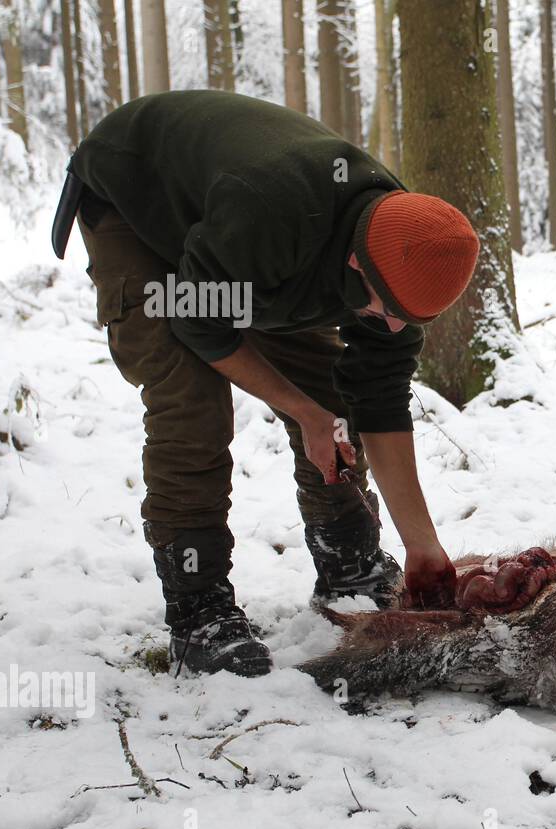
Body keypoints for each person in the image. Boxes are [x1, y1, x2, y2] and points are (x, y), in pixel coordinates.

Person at [53, 90, 472, 677]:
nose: (398, 326)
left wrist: (421, 546)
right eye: (390, 310)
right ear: (357, 265)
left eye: (412, 318)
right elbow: (198, 318)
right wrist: (301, 412)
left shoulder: (403, 251)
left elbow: (379, 405)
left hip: (246, 249)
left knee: (335, 399)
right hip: (137, 202)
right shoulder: (271, 213)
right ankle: (199, 606)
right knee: (191, 406)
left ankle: (348, 558)